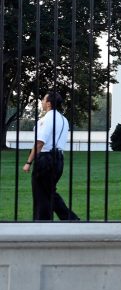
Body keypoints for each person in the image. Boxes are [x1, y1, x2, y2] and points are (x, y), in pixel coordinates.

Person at [22, 91, 80, 221]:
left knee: (41, 193)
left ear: (48, 103)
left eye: (43, 99)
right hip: (59, 159)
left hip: (46, 159)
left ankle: (44, 222)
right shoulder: (64, 120)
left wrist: (28, 162)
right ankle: (68, 218)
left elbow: (40, 143)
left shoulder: (47, 119)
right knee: (49, 192)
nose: (42, 102)